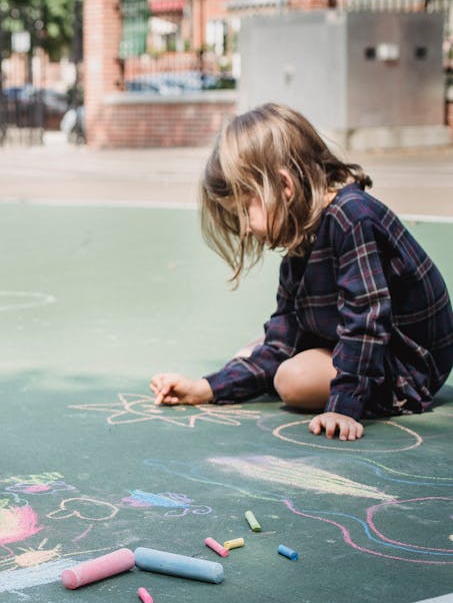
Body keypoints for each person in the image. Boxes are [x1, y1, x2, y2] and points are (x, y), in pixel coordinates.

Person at [151, 103, 453, 441]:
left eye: (243, 212)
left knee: (291, 379)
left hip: (406, 369)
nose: (245, 229)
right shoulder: (302, 239)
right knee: (260, 352)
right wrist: (207, 387)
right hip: (367, 348)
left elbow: (367, 320)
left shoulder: (351, 216)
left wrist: (344, 405)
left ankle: (356, 387)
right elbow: (282, 339)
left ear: (283, 186)